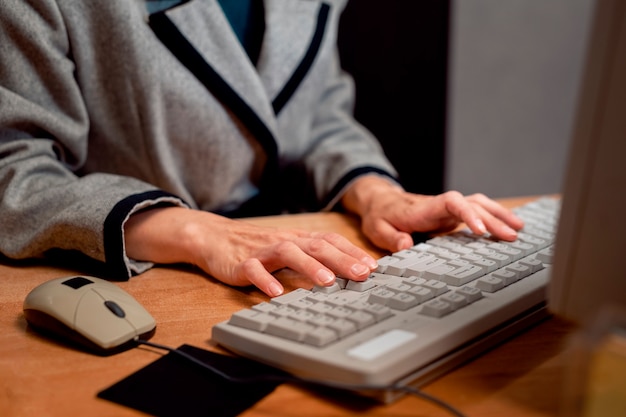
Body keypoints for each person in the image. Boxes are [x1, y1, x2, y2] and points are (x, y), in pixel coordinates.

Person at [0, 0, 523, 298]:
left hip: (292, 263)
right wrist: (195, 231)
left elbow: (316, 113)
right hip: (143, 278)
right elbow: (16, 169)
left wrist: (375, 192)